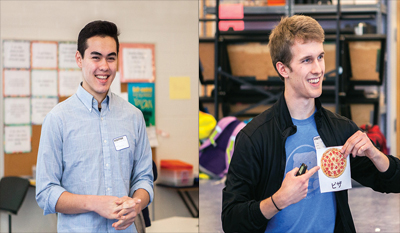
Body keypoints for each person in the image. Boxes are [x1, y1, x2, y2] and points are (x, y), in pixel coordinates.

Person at [221, 15, 400, 233]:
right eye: (307, 60)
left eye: (320, 57)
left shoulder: (340, 130)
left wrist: (375, 153)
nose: (318, 69)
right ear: (283, 69)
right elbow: (231, 221)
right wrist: (278, 200)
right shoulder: (254, 137)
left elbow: (394, 182)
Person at [36, 20, 154, 232]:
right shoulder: (58, 119)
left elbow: (144, 179)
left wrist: (136, 205)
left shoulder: (133, 117)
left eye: (111, 58)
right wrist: (94, 203)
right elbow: (45, 192)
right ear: (79, 59)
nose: (104, 67)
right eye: (96, 57)